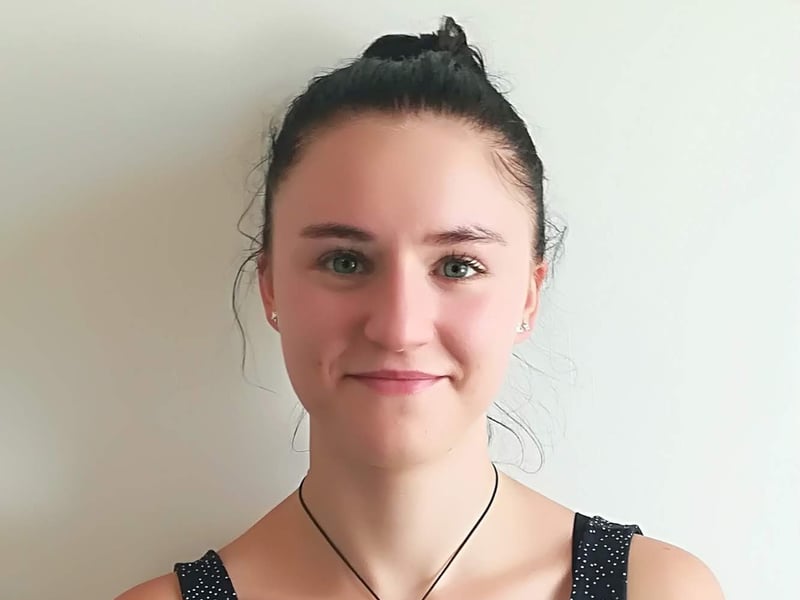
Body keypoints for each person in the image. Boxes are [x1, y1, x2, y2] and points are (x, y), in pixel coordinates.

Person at [116, 16, 724, 600]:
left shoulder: (657, 591)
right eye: (345, 262)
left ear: (528, 294)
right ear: (271, 287)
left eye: (457, 266)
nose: (399, 328)